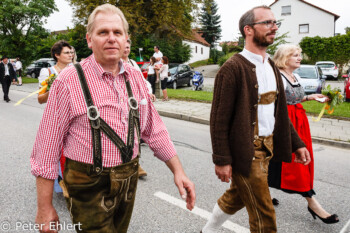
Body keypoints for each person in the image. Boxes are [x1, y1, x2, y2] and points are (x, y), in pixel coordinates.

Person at [31, 4, 195, 233]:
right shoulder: (68, 81)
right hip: (87, 186)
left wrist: (178, 171)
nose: (111, 38)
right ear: (89, 40)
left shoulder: (135, 78)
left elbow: (153, 128)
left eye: (117, 33)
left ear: (126, 38)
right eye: (103, 32)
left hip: (128, 181)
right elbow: (47, 147)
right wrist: (44, 206)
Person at [201, 6, 311, 233]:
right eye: (268, 23)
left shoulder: (271, 65)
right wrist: (221, 159)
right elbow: (218, 120)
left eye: (275, 22)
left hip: (268, 145)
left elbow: (278, 113)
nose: (274, 27)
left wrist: (297, 143)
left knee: (239, 196)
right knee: (265, 215)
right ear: (248, 30)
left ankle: (207, 230)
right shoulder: (231, 69)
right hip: (247, 149)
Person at [268, 44, 339, 224]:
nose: (299, 58)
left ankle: (263, 192)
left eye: (299, 55)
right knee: (292, 164)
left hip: (299, 121)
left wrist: (310, 97)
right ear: (284, 58)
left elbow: (296, 98)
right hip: (284, 123)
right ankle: (312, 203)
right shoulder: (277, 77)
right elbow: (274, 105)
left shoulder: (295, 76)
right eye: (295, 55)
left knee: (282, 161)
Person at [121, 38, 156, 178]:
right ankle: (130, 164)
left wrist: (149, 93)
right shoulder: (114, 64)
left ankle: (134, 163)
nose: (126, 50)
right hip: (122, 104)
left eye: (128, 47)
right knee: (125, 136)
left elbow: (142, 81)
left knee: (134, 135)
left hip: (135, 104)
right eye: (124, 47)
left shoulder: (133, 63)